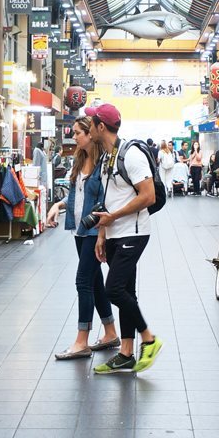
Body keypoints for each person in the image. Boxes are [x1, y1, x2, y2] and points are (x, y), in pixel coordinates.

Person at [86, 104, 163, 374]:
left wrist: (114, 217)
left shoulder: (130, 155)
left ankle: (149, 338)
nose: (88, 127)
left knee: (114, 290)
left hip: (135, 232)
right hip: (115, 233)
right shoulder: (108, 156)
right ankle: (126, 353)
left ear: (101, 127)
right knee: (126, 292)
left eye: (91, 123)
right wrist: (102, 233)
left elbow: (148, 196)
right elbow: (110, 200)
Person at [45, 118, 119, 360]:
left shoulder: (104, 164)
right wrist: (58, 204)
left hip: (94, 231)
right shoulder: (79, 160)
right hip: (79, 230)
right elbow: (77, 196)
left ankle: (81, 341)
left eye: (77, 133)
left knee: (83, 282)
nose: (74, 137)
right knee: (95, 281)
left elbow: (106, 200)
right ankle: (110, 332)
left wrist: (102, 234)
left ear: (90, 133)